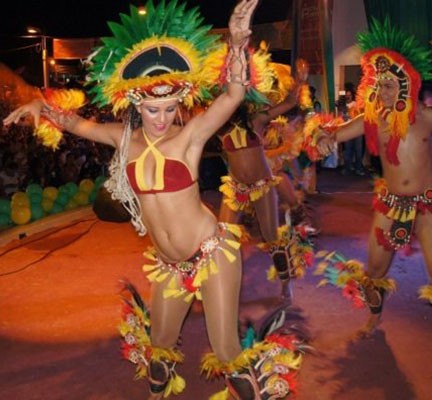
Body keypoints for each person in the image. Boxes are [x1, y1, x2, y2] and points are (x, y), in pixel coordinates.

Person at [4, 1, 305, 398]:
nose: (161, 119)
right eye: (151, 110)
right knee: (158, 350)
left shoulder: (190, 137)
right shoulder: (122, 139)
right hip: (170, 265)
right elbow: (76, 123)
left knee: (228, 352)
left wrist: (236, 42)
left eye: (168, 108)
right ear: (135, 105)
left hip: (212, 253)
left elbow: (232, 96)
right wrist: (40, 106)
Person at [317, 17, 432, 338]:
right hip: (391, 206)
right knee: (374, 270)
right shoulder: (372, 118)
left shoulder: (427, 118)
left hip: (428, 206)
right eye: (378, 85)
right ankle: (374, 317)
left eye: (388, 86)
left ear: (406, 85)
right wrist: (325, 137)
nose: (380, 92)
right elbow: (337, 133)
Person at [218, 60, 312, 300]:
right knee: (224, 237)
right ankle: (226, 288)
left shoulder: (257, 118)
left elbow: (290, 103)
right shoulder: (217, 122)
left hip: (262, 185)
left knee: (271, 236)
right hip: (236, 188)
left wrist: (299, 82)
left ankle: (285, 281)